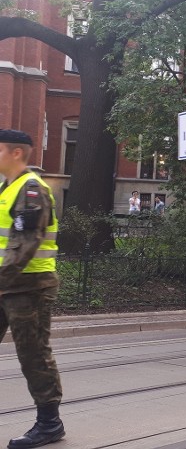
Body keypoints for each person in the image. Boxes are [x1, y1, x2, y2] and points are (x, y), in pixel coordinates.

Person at [0, 130, 64, 449]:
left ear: (16, 153)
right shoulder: (5, 189)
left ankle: (50, 423)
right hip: (5, 286)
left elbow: (24, 245)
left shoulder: (31, 190)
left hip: (30, 288)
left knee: (34, 354)